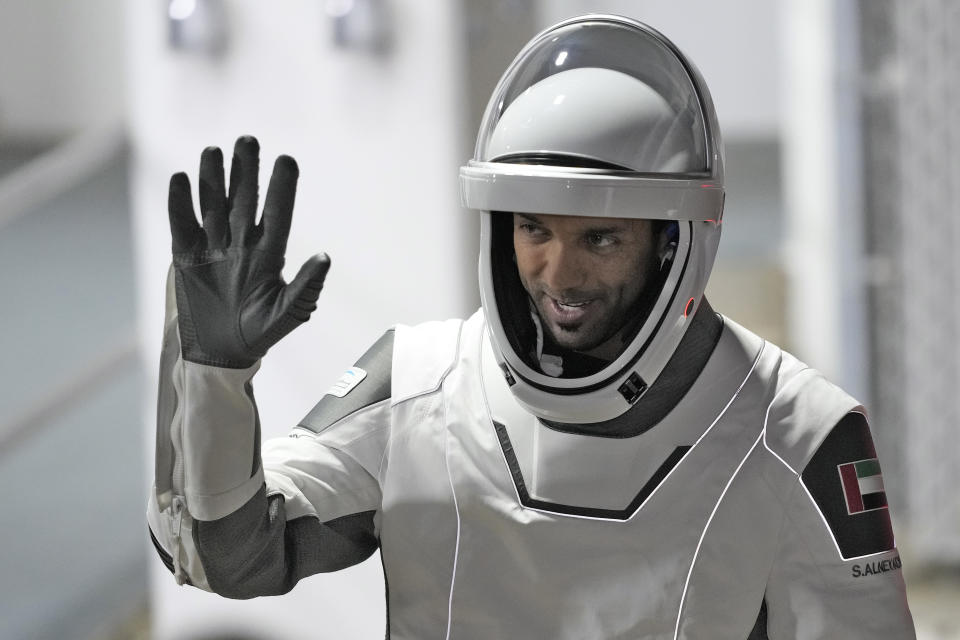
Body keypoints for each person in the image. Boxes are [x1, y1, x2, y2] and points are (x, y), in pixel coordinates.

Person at [148, 15, 916, 639]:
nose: (559, 275)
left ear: (676, 242)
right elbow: (227, 558)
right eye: (533, 229)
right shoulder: (418, 385)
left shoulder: (799, 434)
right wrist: (212, 379)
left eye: (601, 239)